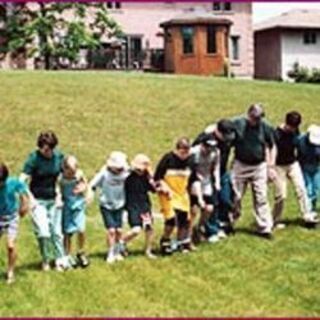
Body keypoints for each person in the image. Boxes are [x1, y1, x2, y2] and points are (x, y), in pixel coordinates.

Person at [20, 131, 68, 271]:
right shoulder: (33, 159)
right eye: (46, 149)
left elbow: (64, 175)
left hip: (54, 199)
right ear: (40, 147)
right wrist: (30, 199)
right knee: (43, 232)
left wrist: (59, 194)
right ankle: (45, 259)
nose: (49, 152)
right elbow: (22, 181)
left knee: (57, 232)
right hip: (38, 201)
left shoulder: (59, 157)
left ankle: (60, 259)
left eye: (51, 149)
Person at [231, 104, 276, 239]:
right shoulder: (237, 123)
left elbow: (272, 146)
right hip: (240, 164)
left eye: (258, 119)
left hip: (259, 166)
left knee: (261, 197)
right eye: (254, 118)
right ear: (248, 114)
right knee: (235, 196)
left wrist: (271, 167)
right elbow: (224, 130)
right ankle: (229, 222)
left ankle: (265, 227)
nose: (256, 121)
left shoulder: (266, 127)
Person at [272, 112, 318, 228]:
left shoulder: (295, 131)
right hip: (279, 166)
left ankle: (307, 215)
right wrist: (271, 168)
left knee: (301, 189)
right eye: (291, 127)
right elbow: (271, 151)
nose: (293, 130)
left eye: (295, 128)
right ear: (286, 123)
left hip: (292, 163)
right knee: (281, 195)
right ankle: (276, 219)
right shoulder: (276, 134)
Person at [192, 119, 236, 238]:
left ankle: (222, 223)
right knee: (213, 203)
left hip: (221, 172)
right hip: (206, 175)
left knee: (226, 199)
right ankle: (211, 229)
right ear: (217, 131)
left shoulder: (229, 138)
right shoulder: (205, 139)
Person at [154, 137, 197, 255]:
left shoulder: (192, 160)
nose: (185, 155)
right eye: (183, 152)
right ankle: (165, 240)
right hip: (167, 193)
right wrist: (165, 187)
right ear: (177, 150)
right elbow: (157, 177)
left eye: (187, 152)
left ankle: (181, 242)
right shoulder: (167, 159)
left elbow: (193, 179)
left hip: (182, 193)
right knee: (171, 219)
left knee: (185, 219)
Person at [88, 151, 129, 264]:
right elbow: (92, 185)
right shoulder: (104, 174)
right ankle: (110, 252)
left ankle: (117, 251)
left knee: (119, 230)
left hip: (120, 204)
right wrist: (90, 194)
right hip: (106, 205)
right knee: (111, 230)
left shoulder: (125, 173)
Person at [189, 138, 224, 244]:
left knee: (209, 208)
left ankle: (199, 227)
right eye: (207, 147)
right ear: (202, 145)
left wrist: (217, 181)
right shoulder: (194, 152)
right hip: (194, 183)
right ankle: (188, 235)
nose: (209, 150)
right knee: (193, 210)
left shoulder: (215, 152)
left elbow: (216, 167)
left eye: (211, 148)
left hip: (207, 182)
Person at [122, 154, 156, 259]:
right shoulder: (128, 176)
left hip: (144, 205)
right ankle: (121, 242)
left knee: (149, 228)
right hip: (133, 206)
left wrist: (151, 178)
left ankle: (148, 250)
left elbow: (153, 189)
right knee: (136, 229)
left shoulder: (146, 176)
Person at [58, 155, 89, 268]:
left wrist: (84, 188)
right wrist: (59, 199)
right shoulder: (61, 178)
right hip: (67, 207)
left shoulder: (79, 174)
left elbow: (86, 184)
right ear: (64, 169)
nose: (72, 174)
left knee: (81, 229)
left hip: (78, 205)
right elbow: (58, 190)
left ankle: (81, 252)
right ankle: (67, 255)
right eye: (69, 172)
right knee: (67, 232)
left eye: (73, 172)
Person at [0, 163, 29, 284]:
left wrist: (24, 206)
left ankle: (10, 271)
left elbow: (23, 192)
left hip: (12, 217)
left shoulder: (12, 183)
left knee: (11, 246)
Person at [297, 125, 320, 215]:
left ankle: (312, 208)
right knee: (308, 190)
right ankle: (308, 211)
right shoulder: (300, 140)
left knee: (315, 190)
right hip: (305, 167)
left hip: (317, 167)